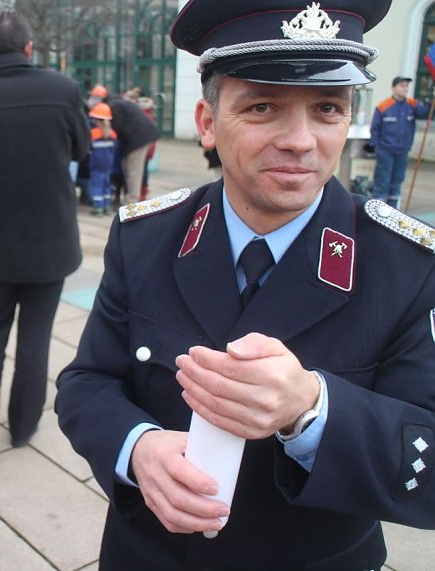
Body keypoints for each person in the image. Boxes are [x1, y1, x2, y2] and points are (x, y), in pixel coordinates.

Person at [56, 1, 435, 569]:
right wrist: (137, 447)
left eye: (328, 108)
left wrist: (312, 409)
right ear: (207, 124)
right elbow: (87, 381)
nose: (301, 141)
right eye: (263, 107)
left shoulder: (404, 264)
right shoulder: (147, 236)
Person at [0, 10, 90, 448]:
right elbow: (81, 147)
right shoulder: (62, 91)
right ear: (29, 48)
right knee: (35, 339)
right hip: (50, 242)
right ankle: (22, 429)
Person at [367, 76, 431, 208]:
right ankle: (378, 210)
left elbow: (425, 113)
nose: (405, 88)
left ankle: (393, 211)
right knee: (382, 181)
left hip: (403, 151)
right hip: (386, 151)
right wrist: (376, 147)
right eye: (402, 85)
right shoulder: (383, 106)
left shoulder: (412, 105)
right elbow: (375, 128)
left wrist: (431, 102)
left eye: (406, 86)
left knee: (397, 181)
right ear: (393, 87)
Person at [87, 102, 118, 216]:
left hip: (96, 164)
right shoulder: (113, 134)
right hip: (108, 164)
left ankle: (98, 209)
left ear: (96, 119)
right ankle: (106, 206)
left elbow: (88, 149)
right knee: (107, 184)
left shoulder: (93, 133)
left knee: (97, 185)